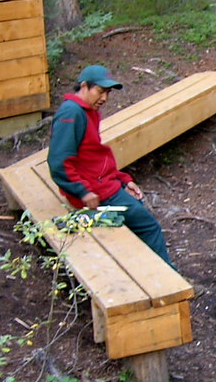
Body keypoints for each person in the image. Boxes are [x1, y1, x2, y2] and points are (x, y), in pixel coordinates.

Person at [47, 65, 176, 269]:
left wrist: (124, 180)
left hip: (102, 185)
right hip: (94, 193)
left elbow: (93, 159)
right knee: (149, 226)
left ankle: (142, 266)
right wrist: (82, 192)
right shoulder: (71, 114)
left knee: (137, 212)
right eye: (100, 91)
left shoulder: (87, 112)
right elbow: (58, 162)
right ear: (84, 86)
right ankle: (169, 277)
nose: (104, 98)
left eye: (107, 93)